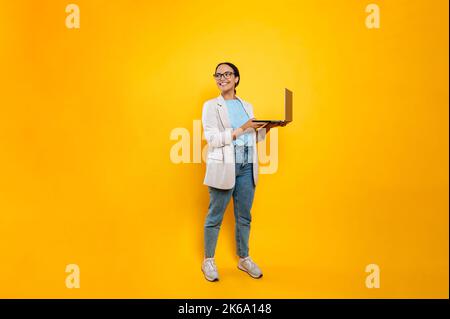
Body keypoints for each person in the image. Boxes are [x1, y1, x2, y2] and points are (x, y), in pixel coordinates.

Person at [201, 62, 284, 281]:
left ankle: (244, 258)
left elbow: (251, 137)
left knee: (244, 216)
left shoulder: (247, 105)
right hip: (224, 166)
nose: (222, 78)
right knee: (215, 216)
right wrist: (242, 128)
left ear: (236, 78)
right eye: (218, 75)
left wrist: (265, 129)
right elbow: (213, 140)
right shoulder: (211, 106)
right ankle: (208, 260)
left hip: (248, 166)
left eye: (227, 74)